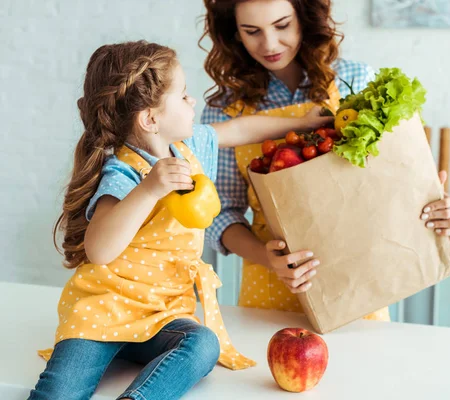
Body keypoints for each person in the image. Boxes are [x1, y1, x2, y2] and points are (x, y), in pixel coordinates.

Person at [29, 40, 332, 400]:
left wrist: (299, 122)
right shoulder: (123, 173)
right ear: (150, 118)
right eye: (184, 95)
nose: (193, 103)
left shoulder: (189, 150)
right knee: (59, 391)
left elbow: (239, 130)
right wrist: (149, 190)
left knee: (203, 345)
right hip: (104, 315)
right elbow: (98, 249)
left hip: (161, 316)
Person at [200, 0, 450, 320]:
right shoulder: (223, 110)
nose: (268, 44)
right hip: (271, 284)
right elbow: (220, 212)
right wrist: (271, 260)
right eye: (252, 31)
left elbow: (390, 182)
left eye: (282, 25)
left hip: (358, 280)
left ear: (304, 18)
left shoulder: (357, 80)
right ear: (235, 33)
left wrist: (437, 206)